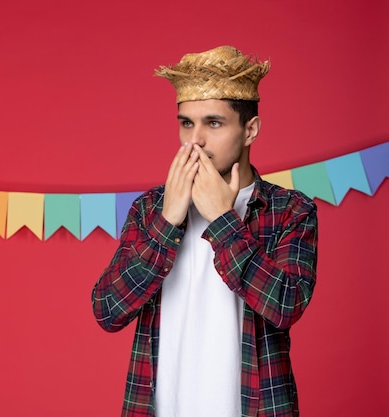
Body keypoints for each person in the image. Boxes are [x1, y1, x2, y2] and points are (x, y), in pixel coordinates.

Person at [91, 45, 319, 417]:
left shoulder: (290, 211)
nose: (194, 140)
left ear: (250, 130)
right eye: (186, 123)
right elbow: (107, 311)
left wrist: (222, 219)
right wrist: (167, 223)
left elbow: (286, 306)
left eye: (213, 123)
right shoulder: (150, 209)